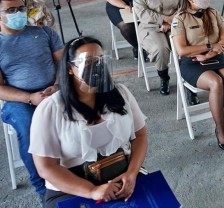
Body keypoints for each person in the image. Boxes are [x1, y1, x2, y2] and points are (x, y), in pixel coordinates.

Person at [30, 36, 147, 208]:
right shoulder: (51, 109)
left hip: (121, 178)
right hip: (71, 188)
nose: (97, 67)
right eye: (89, 62)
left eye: (101, 60)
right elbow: (46, 168)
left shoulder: (120, 94)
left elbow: (140, 134)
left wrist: (132, 173)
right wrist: (91, 191)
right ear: (70, 68)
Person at [0, 0, 64, 201]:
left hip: (54, 90)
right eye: (10, 10)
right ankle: (43, 186)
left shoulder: (44, 32)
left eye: (20, 8)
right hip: (19, 100)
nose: (18, 13)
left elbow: (64, 64)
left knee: (84, 110)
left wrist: (56, 86)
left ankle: (81, 169)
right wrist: (30, 97)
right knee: (29, 126)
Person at [171, 0, 224, 150]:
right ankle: (220, 129)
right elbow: (182, 50)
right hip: (192, 62)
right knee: (216, 82)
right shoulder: (180, 19)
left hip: (215, 56)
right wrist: (208, 47)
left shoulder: (214, 13)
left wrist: (209, 54)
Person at [133, 0, 183, 95]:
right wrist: (163, 20)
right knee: (161, 49)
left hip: (175, 24)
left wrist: (171, 22)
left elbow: (183, 5)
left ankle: (187, 80)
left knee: (185, 46)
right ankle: (164, 77)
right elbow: (142, 13)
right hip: (151, 27)